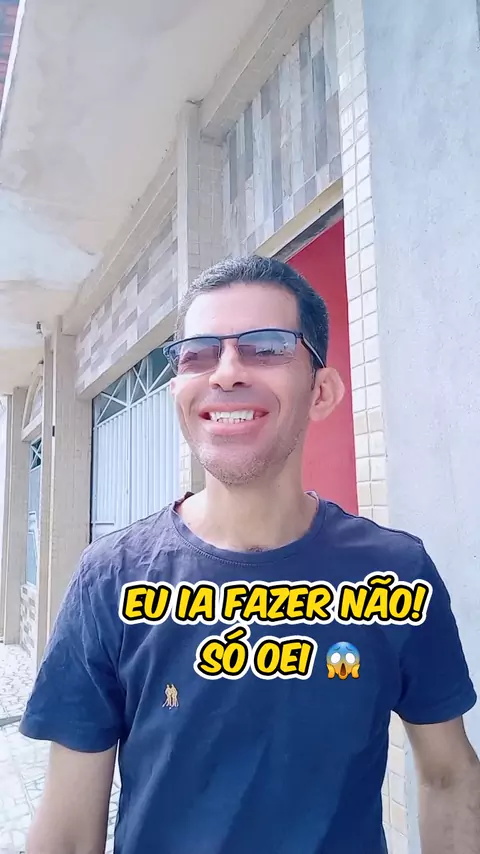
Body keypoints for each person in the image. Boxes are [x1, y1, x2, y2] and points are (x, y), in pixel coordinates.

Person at [21, 256, 479, 854]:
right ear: (178, 392)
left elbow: (449, 776)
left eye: (266, 347)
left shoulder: (396, 574)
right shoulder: (110, 578)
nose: (227, 372)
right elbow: (66, 833)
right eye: (197, 354)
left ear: (321, 391)